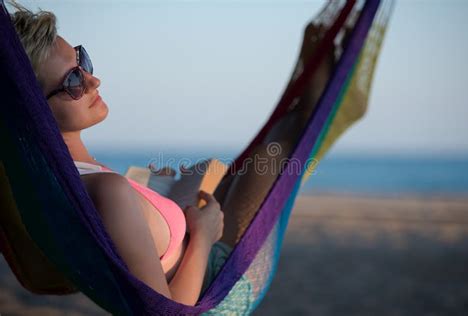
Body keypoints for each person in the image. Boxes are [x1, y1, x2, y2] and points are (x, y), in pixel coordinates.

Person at [9, 1, 344, 309]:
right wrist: (202, 234)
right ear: (34, 110)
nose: (94, 81)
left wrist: (160, 202)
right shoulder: (104, 190)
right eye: (72, 81)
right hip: (220, 281)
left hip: (205, 255)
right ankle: (330, 44)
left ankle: (320, 50)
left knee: (271, 143)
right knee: (288, 138)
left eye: (82, 61)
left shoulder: (62, 180)